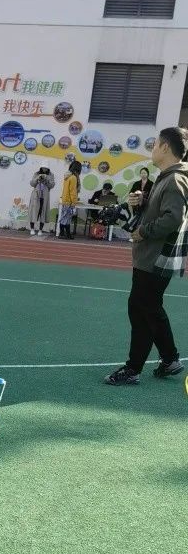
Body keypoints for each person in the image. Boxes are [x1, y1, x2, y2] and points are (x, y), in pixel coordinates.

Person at [104, 127, 188, 386]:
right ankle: (169, 359)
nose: (152, 149)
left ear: (165, 148)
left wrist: (143, 231)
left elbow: (173, 217)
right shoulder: (169, 177)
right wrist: (143, 200)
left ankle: (133, 369)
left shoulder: (175, 179)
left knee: (141, 309)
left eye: (154, 144)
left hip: (156, 257)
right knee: (149, 308)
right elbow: (164, 208)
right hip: (155, 257)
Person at [28, 164, 55, 236]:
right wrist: (37, 178)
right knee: (34, 211)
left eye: (46, 168)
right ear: (41, 167)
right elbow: (32, 184)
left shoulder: (51, 175)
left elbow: (52, 185)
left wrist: (47, 179)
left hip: (45, 196)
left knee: (43, 212)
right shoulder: (36, 173)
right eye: (43, 168)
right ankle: (32, 228)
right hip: (36, 195)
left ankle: (40, 230)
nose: (44, 169)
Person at [58, 160, 82, 239]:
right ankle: (64, 234)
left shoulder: (67, 176)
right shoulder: (74, 178)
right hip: (69, 201)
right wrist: (74, 202)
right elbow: (73, 191)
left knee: (65, 217)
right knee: (67, 218)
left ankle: (64, 234)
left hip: (65, 199)